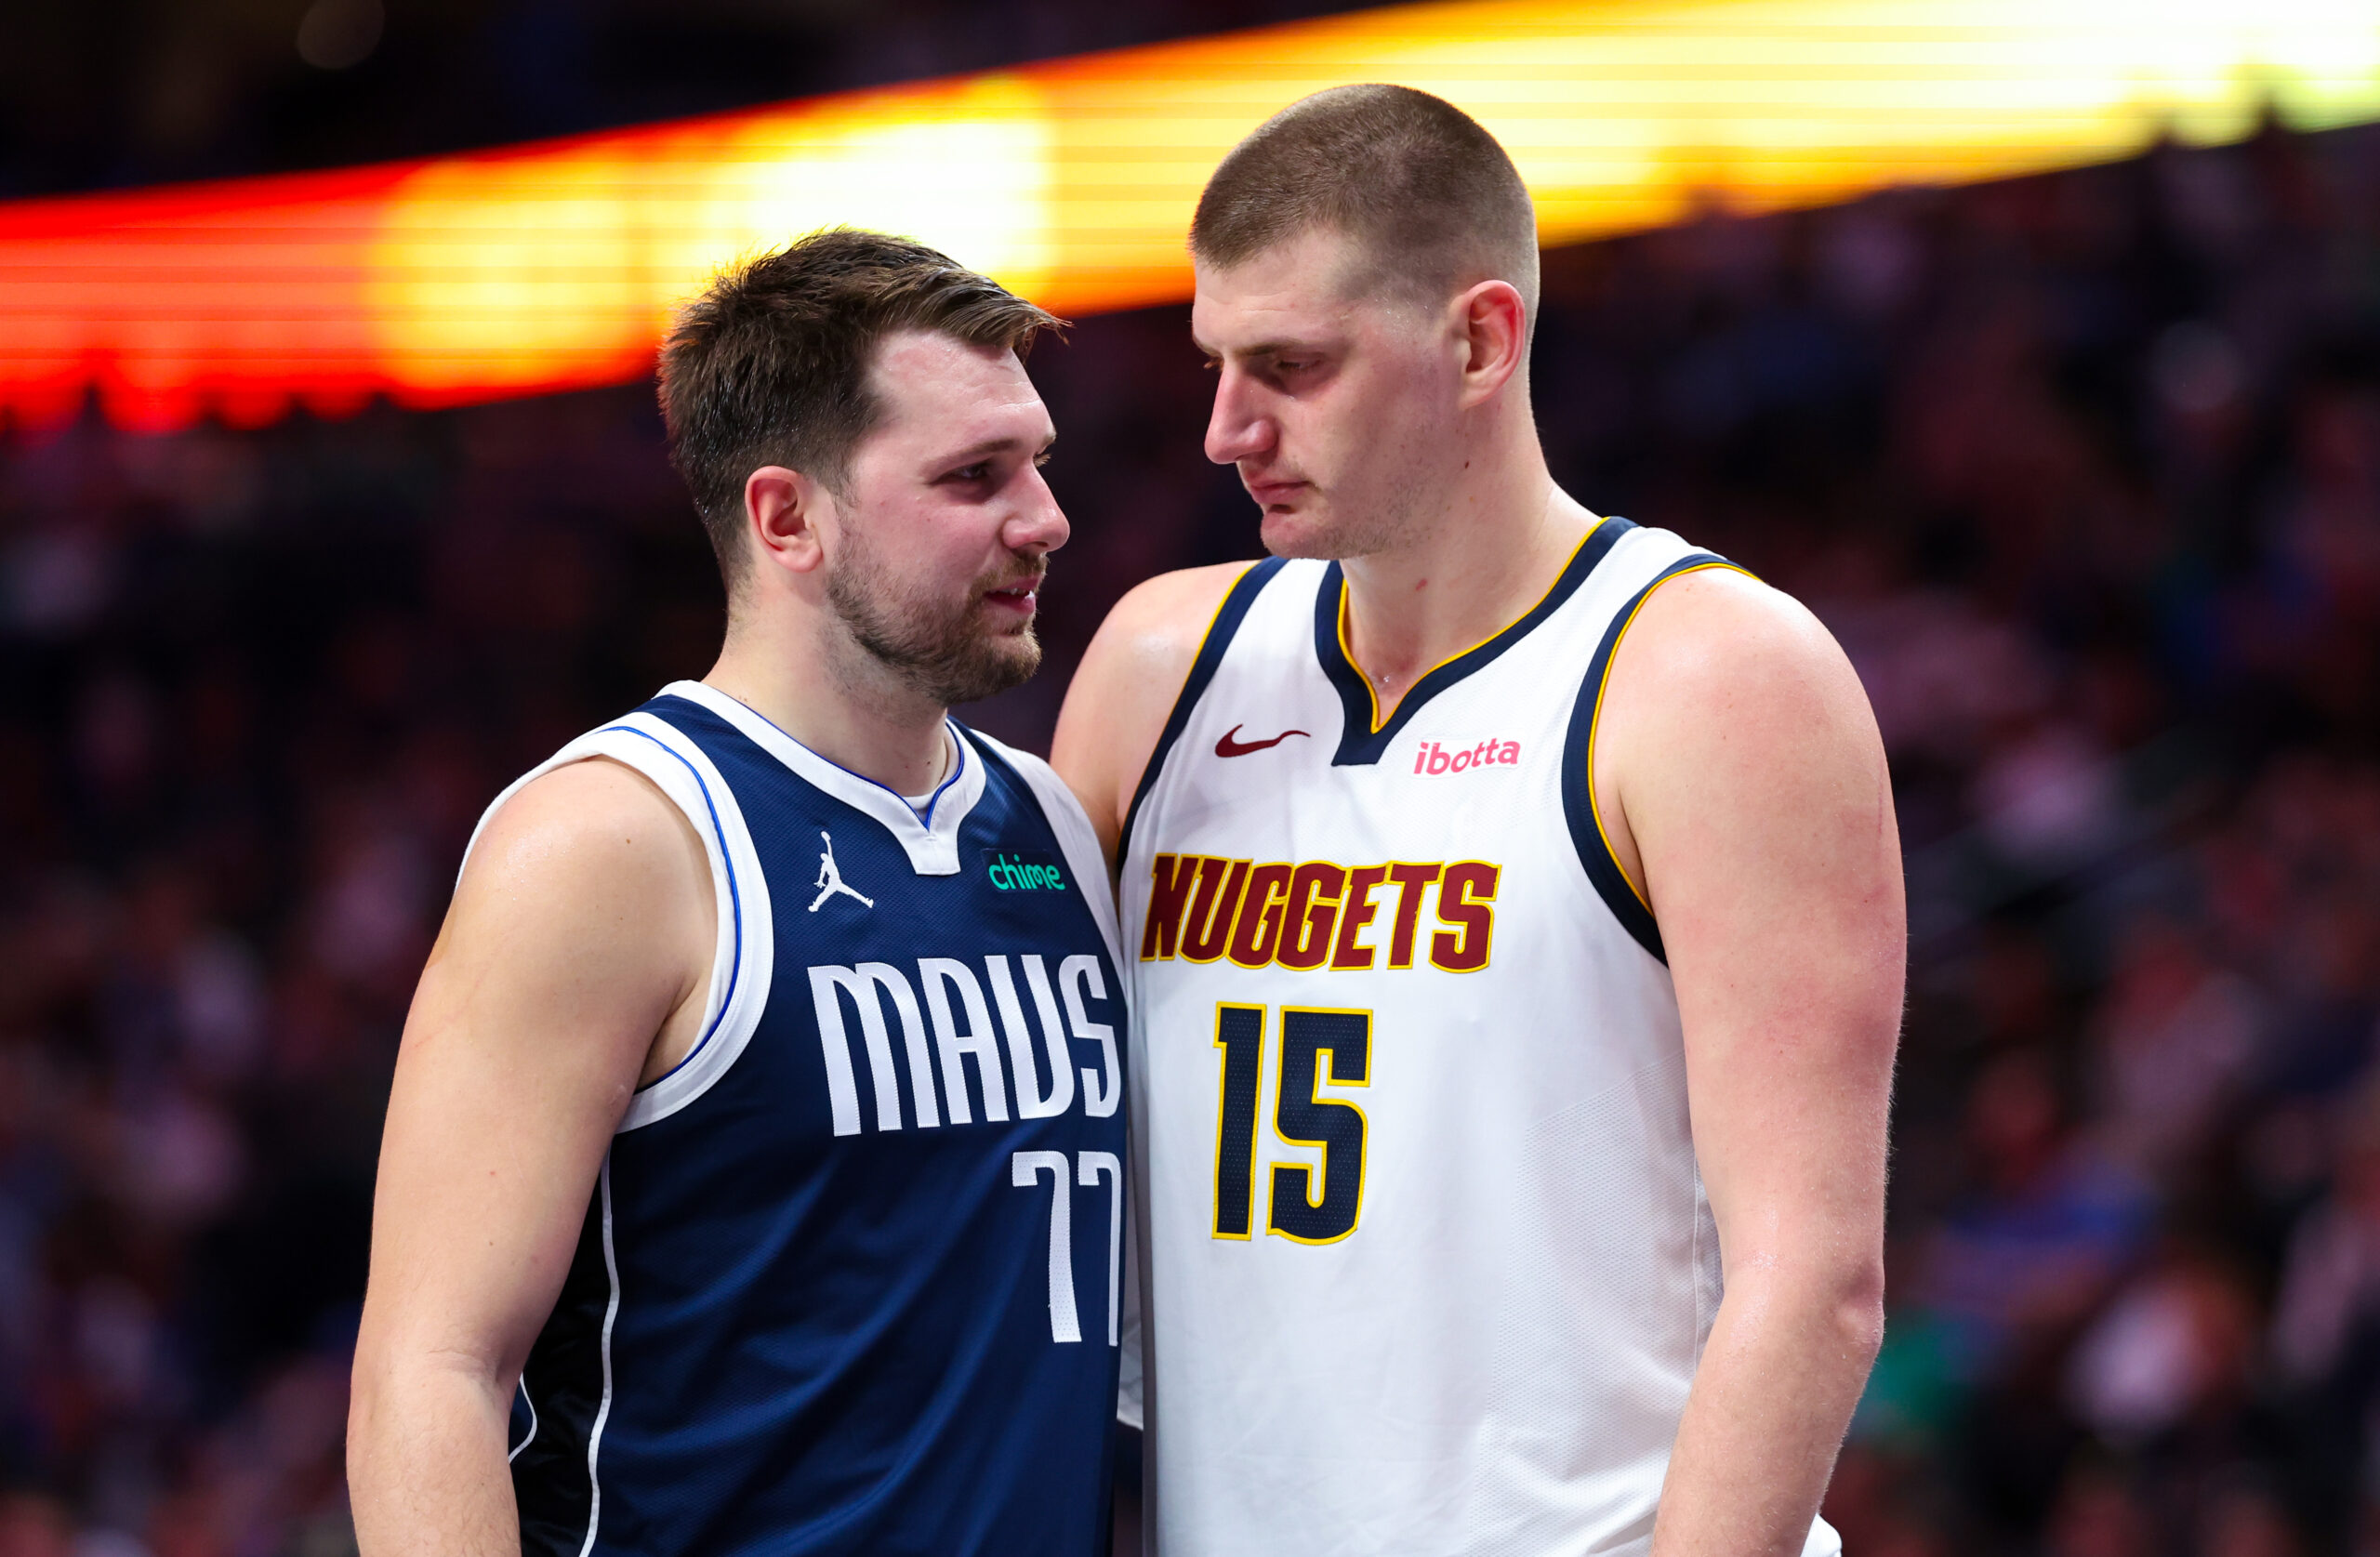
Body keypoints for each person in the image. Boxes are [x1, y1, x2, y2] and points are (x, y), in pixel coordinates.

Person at [1053, 86, 1903, 1556]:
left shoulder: (1713, 677)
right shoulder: (1154, 671)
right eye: (1214, 365)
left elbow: (1812, 1280)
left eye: (1291, 367)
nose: (1223, 429)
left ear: (1480, 339)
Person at [350, 231, 1130, 1556]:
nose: (1044, 518)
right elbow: (428, 1377)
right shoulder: (615, 842)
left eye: (1039, 463)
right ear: (787, 519)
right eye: (974, 476)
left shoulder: (1052, 822)